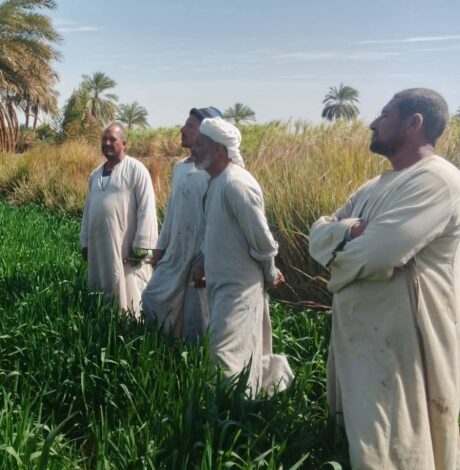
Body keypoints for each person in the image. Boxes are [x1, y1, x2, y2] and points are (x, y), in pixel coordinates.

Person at [308, 88, 460, 469]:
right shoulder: (372, 187)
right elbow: (317, 234)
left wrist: (337, 256)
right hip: (361, 334)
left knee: (397, 440)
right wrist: (347, 231)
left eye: (385, 114)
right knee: (363, 436)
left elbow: (379, 253)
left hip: (403, 339)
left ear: (415, 123)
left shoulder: (437, 181)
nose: (373, 123)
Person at [192, 117, 293, 395]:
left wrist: (270, 273)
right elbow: (216, 233)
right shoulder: (215, 183)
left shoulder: (237, 185)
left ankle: (236, 419)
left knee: (225, 356)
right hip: (221, 285)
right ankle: (245, 408)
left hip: (240, 290)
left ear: (219, 151)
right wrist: (202, 262)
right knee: (238, 354)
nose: (193, 148)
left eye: (200, 144)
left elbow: (262, 241)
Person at [141, 108, 220, 340]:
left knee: (196, 317)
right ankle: (163, 353)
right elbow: (173, 213)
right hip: (176, 253)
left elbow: (215, 222)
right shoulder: (180, 167)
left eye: (190, 127)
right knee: (153, 298)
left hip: (199, 255)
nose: (182, 130)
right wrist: (160, 248)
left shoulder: (213, 173)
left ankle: (192, 367)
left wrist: (205, 260)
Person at [80, 122, 158, 316]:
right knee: (101, 284)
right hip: (99, 245)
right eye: (104, 139)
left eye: (112, 139)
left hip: (125, 246)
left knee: (129, 288)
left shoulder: (136, 170)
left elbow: (147, 209)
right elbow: (88, 210)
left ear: (124, 144)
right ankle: (104, 320)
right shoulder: (95, 175)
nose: (107, 143)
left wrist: (142, 245)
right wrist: (85, 241)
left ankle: (131, 326)